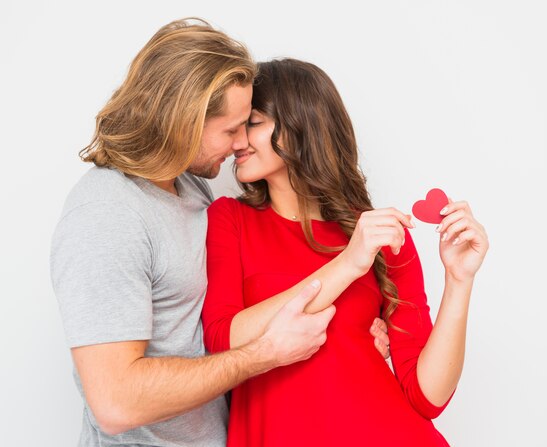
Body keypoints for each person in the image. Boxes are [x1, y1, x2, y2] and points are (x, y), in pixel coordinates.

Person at [50, 19, 390, 447]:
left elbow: (222, 318)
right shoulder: (106, 215)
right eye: (231, 129)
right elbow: (117, 403)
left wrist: (349, 342)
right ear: (182, 120)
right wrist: (264, 354)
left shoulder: (190, 186)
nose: (237, 145)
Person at [202, 59, 489, 446]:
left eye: (251, 123)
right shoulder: (229, 220)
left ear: (298, 126)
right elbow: (222, 340)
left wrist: (459, 280)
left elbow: (428, 397)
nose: (237, 141)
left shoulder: (379, 235)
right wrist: (348, 266)